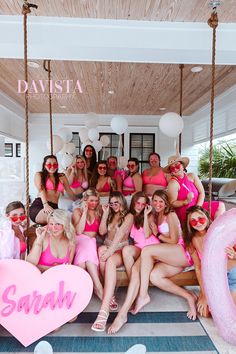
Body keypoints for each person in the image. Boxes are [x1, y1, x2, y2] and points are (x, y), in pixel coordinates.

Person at [132, 190, 197, 320]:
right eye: (155, 200)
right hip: (172, 256)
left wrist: (157, 234)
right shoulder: (156, 216)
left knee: (147, 251)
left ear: (166, 203)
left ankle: (143, 295)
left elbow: (174, 240)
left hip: (181, 252)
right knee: (154, 277)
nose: (157, 204)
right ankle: (189, 296)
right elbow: (147, 234)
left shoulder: (171, 215)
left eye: (161, 201)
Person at [108, 192, 160, 334]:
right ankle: (135, 288)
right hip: (140, 249)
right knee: (126, 250)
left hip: (151, 250)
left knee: (136, 270)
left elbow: (148, 235)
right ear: (133, 203)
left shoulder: (149, 216)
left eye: (143, 204)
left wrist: (145, 215)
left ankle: (122, 314)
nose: (140, 206)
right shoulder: (130, 217)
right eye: (138, 203)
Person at [91, 192, 133, 332]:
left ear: (122, 202)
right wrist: (105, 213)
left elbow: (121, 233)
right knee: (101, 249)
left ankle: (104, 309)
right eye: (112, 203)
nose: (114, 205)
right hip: (107, 245)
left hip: (120, 248)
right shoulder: (110, 214)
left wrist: (110, 251)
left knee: (107, 257)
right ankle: (111, 297)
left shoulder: (129, 216)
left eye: (117, 202)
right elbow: (102, 232)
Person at [184, 205, 236, 317]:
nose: (198, 223)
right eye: (193, 221)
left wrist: (235, 255)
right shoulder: (192, 241)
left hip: (232, 275)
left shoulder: (220, 231)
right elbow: (198, 268)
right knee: (206, 312)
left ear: (207, 217)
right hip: (216, 280)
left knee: (229, 312)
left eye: (201, 218)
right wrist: (204, 294)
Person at [164, 155, 225, 225]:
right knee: (198, 220)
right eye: (172, 168)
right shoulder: (173, 183)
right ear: (171, 171)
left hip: (198, 206)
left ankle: (216, 230)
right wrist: (185, 201)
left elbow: (201, 192)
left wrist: (198, 207)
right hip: (186, 211)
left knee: (220, 206)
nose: (175, 169)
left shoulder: (192, 176)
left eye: (177, 165)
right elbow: (172, 203)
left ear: (183, 166)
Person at [72, 188, 103, 300]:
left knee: (82, 264)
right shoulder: (77, 212)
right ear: (85, 200)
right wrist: (84, 212)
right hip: (79, 240)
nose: (94, 203)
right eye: (91, 200)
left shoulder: (99, 212)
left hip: (91, 242)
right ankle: (98, 286)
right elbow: (79, 231)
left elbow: (102, 232)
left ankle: (82, 292)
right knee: (89, 242)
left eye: (96, 201)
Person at [29, 155, 76, 225]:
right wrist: (45, 205)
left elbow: (69, 191)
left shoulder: (62, 176)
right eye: (49, 164)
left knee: (66, 219)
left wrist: (79, 201)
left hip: (54, 207)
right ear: (44, 165)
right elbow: (41, 189)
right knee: (58, 220)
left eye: (55, 164)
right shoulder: (39, 175)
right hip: (40, 205)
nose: (52, 166)